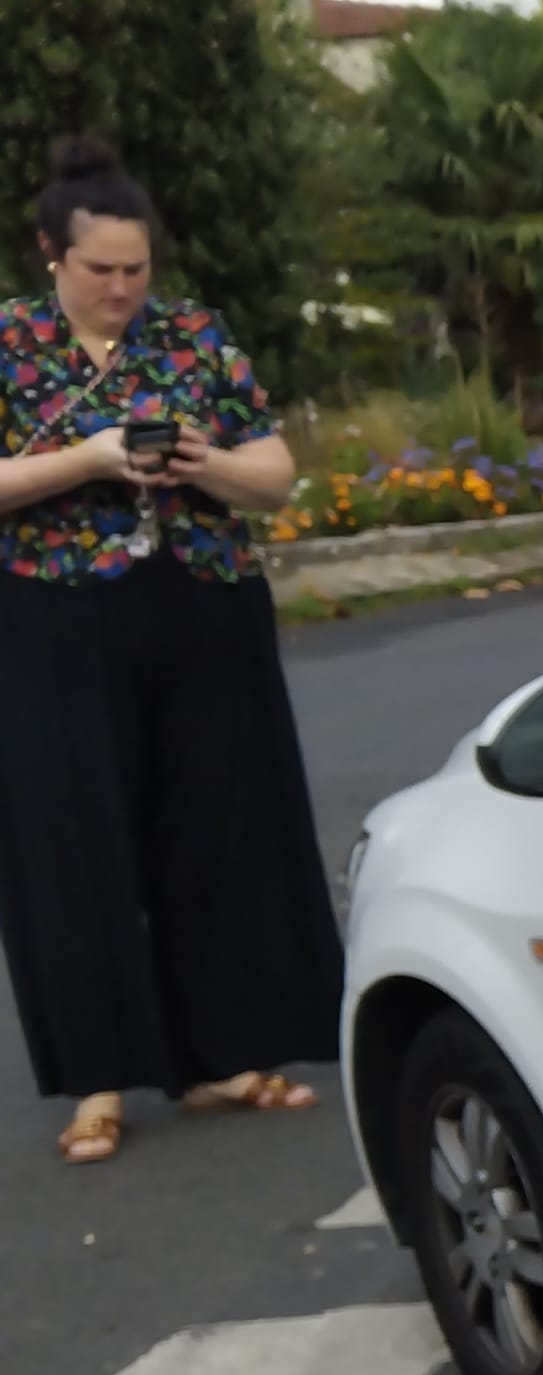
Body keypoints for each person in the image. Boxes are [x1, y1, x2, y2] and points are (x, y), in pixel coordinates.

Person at [0, 136, 344, 1165]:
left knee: (219, 830)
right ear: (51, 255)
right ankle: (98, 1082)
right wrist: (87, 460)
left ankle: (223, 1059)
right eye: (100, 270)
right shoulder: (10, 343)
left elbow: (273, 475)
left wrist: (203, 462)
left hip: (203, 599)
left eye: (136, 269)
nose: (121, 289)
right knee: (71, 844)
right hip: (53, 612)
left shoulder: (194, 334)